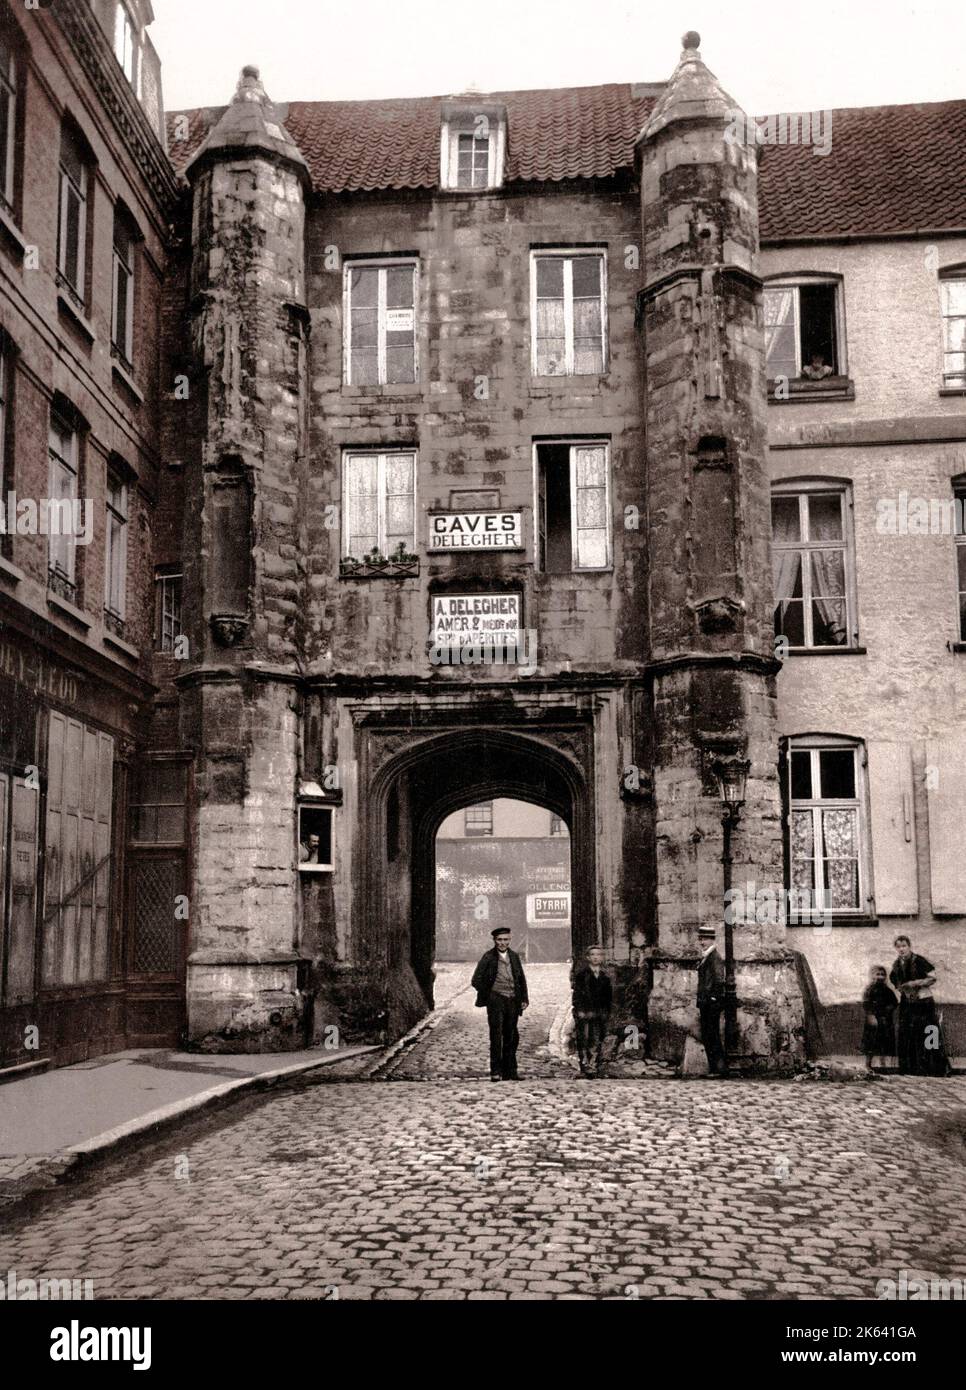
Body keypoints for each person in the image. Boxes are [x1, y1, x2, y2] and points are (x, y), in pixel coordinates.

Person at [471, 928, 529, 1081]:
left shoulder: (514, 957)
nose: (503, 943)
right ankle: (496, 1071)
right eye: (499, 940)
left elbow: (521, 979)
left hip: (512, 1000)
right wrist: (489, 994)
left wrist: (524, 998)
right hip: (496, 1000)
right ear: (494, 940)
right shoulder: (488, 957)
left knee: (511, 1035)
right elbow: (476, 980)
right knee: (496, 1036)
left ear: (510, 940)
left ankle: (510, 1071)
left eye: (506, 940)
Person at [889, 935, 950, 1076]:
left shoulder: (919, 960)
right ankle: (911, 1068)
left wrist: (915, 983)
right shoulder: (896, 964)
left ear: (909, 946)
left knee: (929, 1032)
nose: (901, 949)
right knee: (908, 1033)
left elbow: (932, 978)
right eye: (898, 947)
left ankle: (934, 1068)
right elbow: (895, 980)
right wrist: (902, 988)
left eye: (904, 946)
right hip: (907, 1002)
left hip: (924, 1001)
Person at [572, 945, 612, 1078]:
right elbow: (577, 994)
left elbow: (608, 996)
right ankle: (584, 1064)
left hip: (598, 1012)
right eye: (593, 955)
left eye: (599, 955)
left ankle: (593, 1064)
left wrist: (606, 1011)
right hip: (584, 1012)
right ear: (588, 957)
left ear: (602, 958)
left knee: (596, 1038)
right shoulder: (581, 975)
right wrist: (578, 1010)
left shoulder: (605, 976)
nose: (596, 957)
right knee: (583, 1038)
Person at [696, 924, 727, 1076]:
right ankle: (714, 1068)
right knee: (709, 1035)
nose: (702, 942)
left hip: (711, 1003)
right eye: (701, 939)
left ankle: (719, 1069)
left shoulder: (714, 957)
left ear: (712, 940)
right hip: (706, 1002)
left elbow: (719, 980)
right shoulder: (707, 956)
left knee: (712, 1035)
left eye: (705, 939)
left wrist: (713, 998)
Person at [861, 965, 897, 1071]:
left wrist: (888, 1009)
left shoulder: (887, 990)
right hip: (873, 1020)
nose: (880, 977)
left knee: (885, 1042)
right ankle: (868, 1064)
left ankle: (883, 1064)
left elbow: (894, 1002)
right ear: (873, 976)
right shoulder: (869, 989)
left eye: (882, 974)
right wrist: (871, 1016)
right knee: (871, 1042)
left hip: (885, 1019)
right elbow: (866, 1004)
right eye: (878, 974)